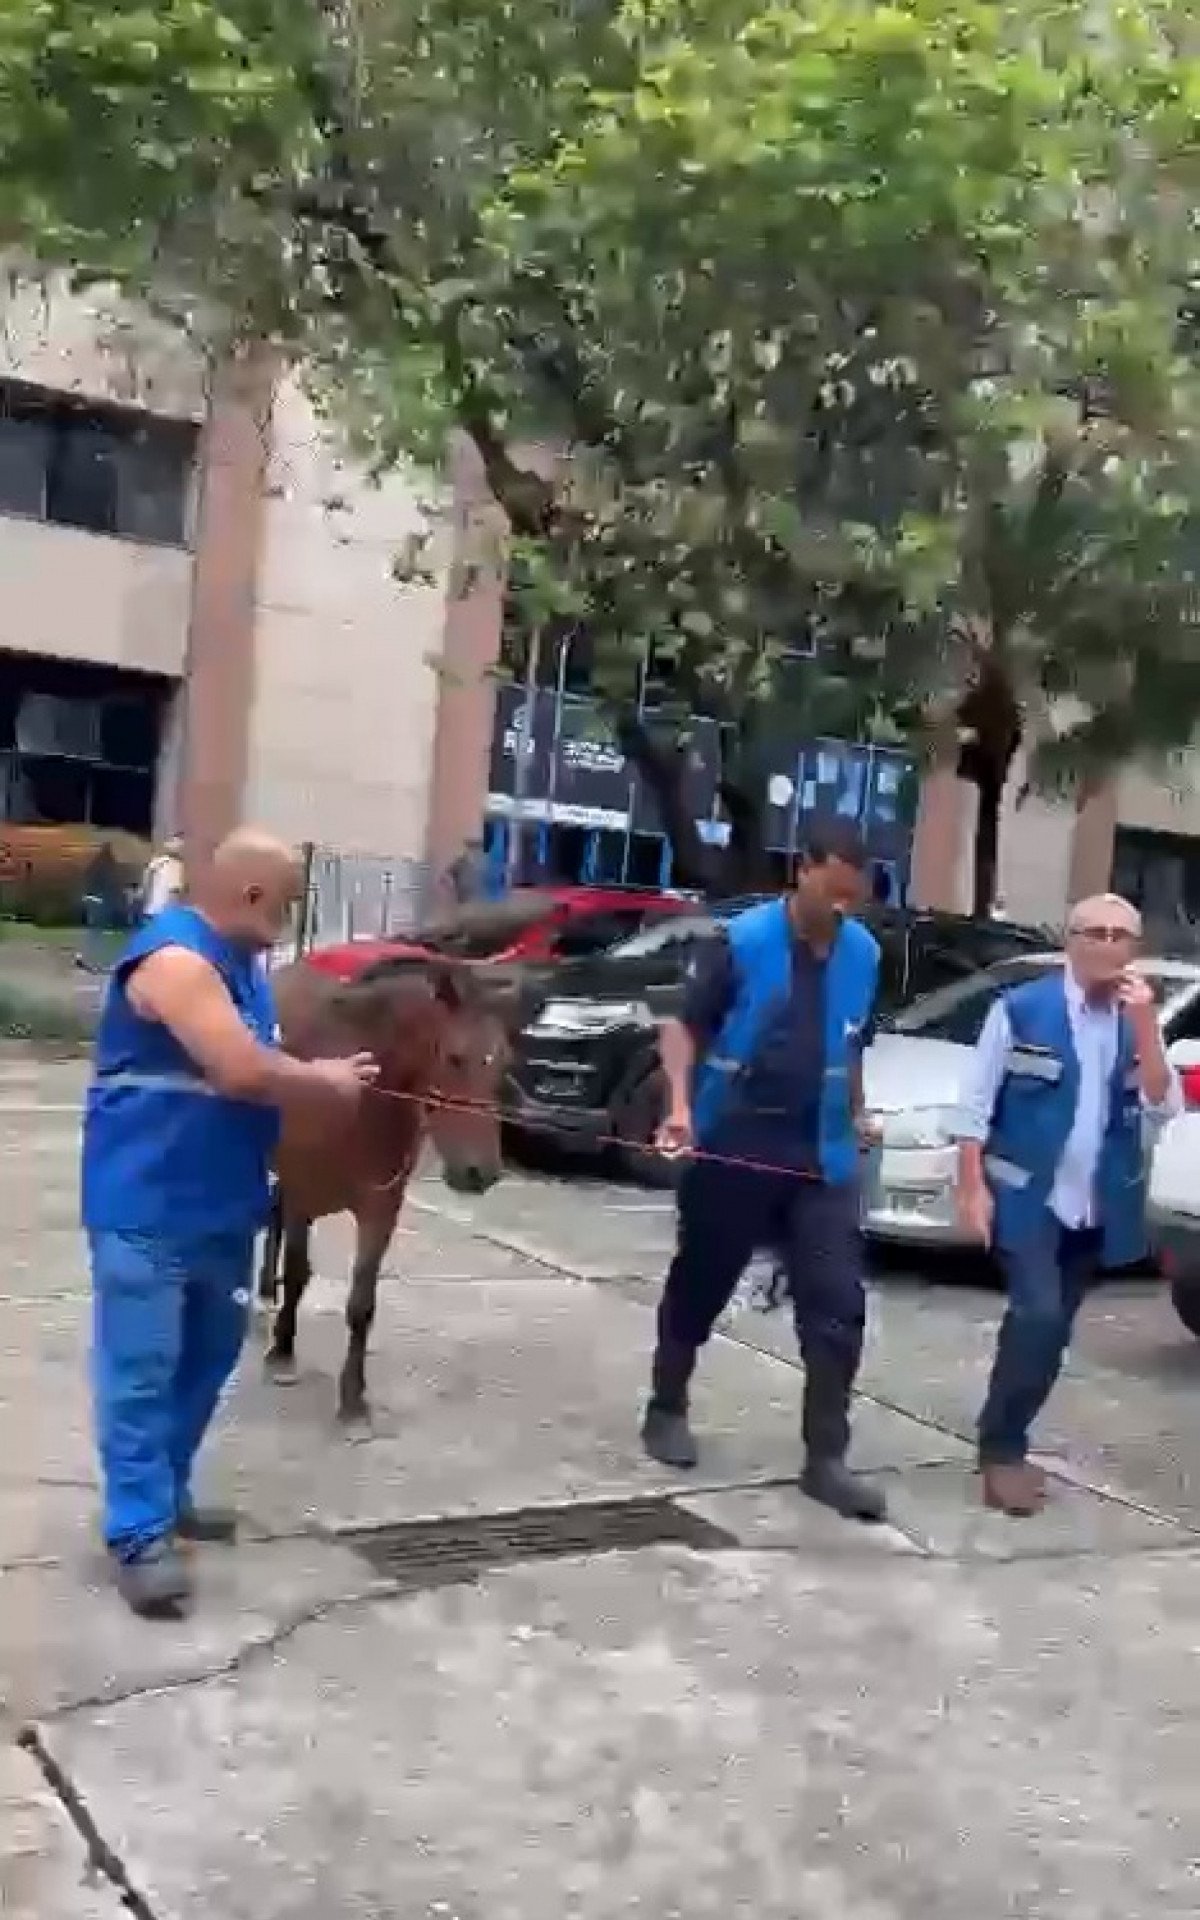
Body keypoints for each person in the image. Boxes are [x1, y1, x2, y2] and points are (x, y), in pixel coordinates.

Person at [81, 827, 380, 1619]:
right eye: (287, 903)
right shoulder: (175, 960)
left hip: (222, 1208)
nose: (289, 919)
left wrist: (331, 1094)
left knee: (205, 1362)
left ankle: (165, 1495)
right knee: (141, 1371)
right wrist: (322, 1081)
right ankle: (138, 1532)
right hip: (145, 1206)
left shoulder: (246, 970)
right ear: (251, 895)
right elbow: (243, 1070)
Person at [641, 821, 887, 1523]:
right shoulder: (742, 941)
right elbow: (681, 1027)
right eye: (831, 890)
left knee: (837, 1303)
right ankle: (666, 1405)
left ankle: (826, 1458)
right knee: (703, 1279)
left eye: (853, 896)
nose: (840, 908)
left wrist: (860, 1112)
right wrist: (682, 1108)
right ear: (802, 871)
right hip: (737, 1138)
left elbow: (851, 1042)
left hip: (822, 1152)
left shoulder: (863, 954)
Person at [954, 892, 1180, 1517]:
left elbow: (1164, 1110)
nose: (1108, 945)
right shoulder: (1021, 1011)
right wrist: (971, 1188)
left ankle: (1007, 1432)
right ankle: (1001, 1450)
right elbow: (973, 1109)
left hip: (1094, 1208)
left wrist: (1146, 1028)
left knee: (1048, 1334)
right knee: (1038, 1317)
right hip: (1028, 1200)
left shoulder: (1138, 1022)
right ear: (1071, 942)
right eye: (1095, 933)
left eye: (1121, 936)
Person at [75, 841, 125, 973]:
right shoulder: (108, 868)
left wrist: (86, 895)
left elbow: (87, 879)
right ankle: (93, 962)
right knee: (97, 933)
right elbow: (111, 886)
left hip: (91, 900)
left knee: (93, 932)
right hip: (99, 902)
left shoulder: (94, 865)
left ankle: (83, 957)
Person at [140, 835, 185, 920]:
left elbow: (177, 886)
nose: (177, 845)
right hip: (158, 903)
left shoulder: (179, 863)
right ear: (167, 844)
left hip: (169, 903)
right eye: (174, 841)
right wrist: (143, 890)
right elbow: (147, 874)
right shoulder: (160, 861)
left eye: (179, 842)